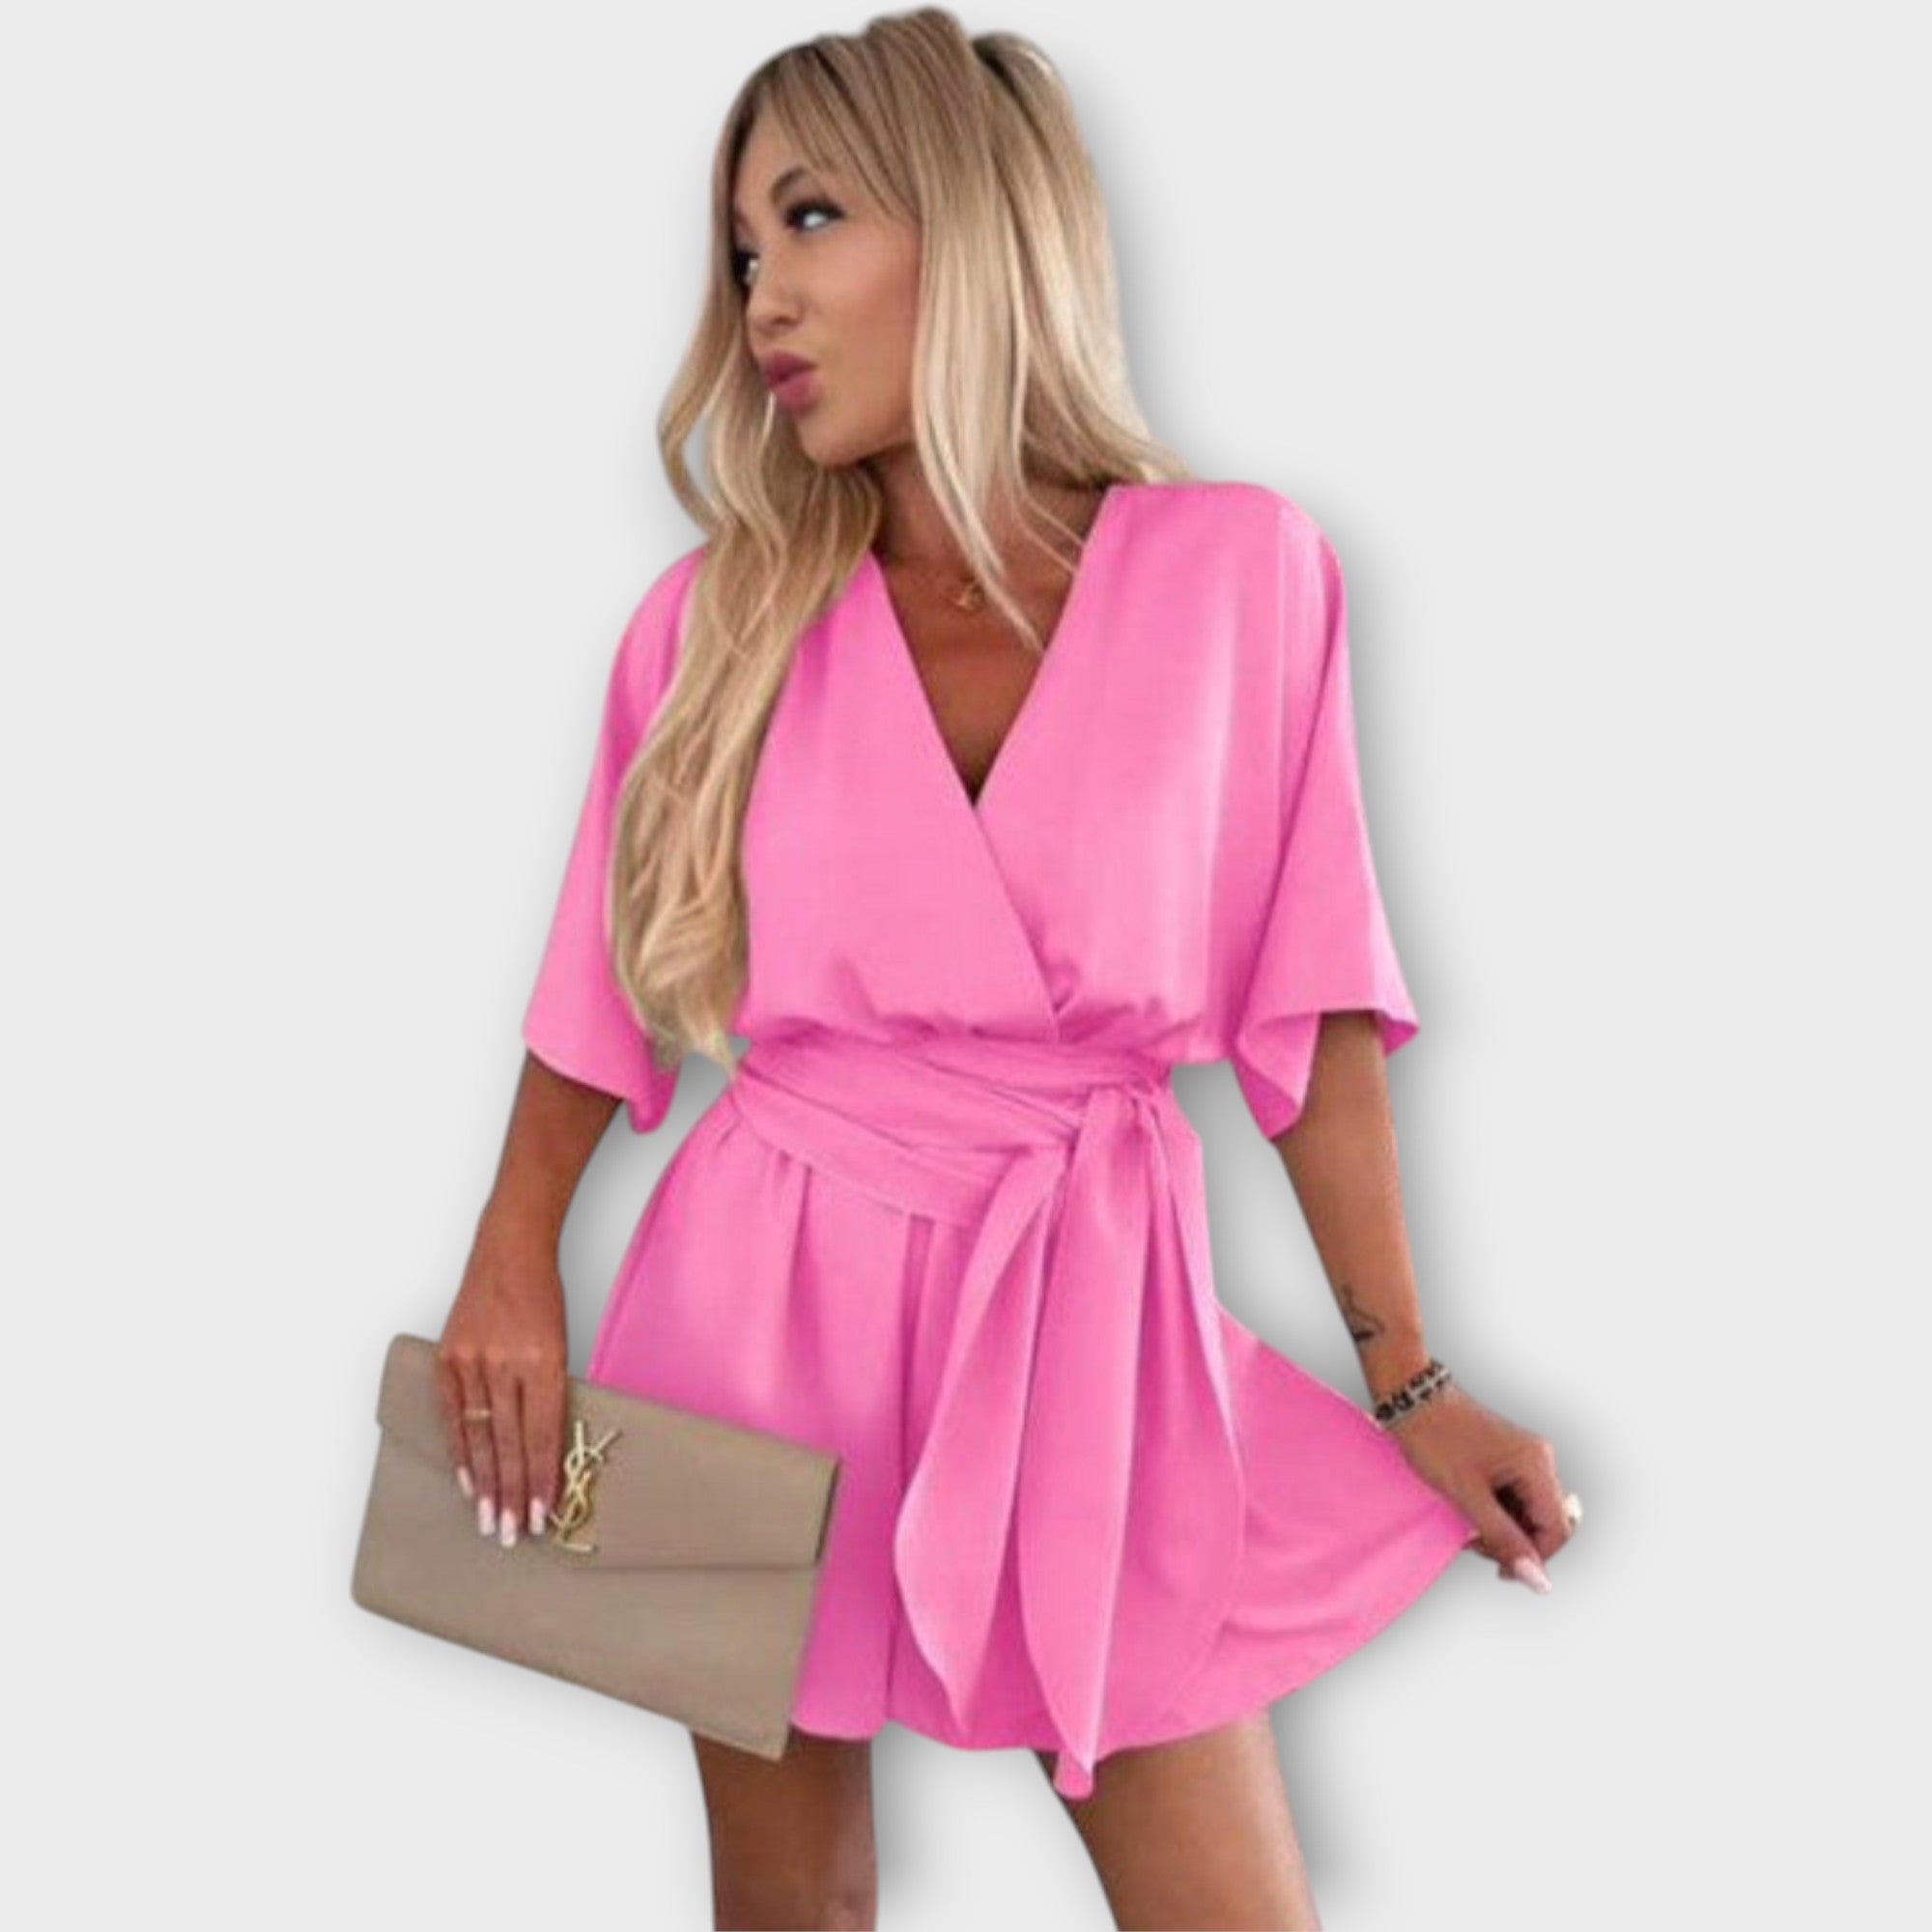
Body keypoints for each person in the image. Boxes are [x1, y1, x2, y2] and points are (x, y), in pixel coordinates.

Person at [434, 11, 1577, 1928]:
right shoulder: (713, 622)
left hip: (1090, 1311)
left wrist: (1413, 1380)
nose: (761, 296)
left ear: (974, 226)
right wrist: (508, 1262)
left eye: (811, 218)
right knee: (790, 1915)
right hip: (754, 1295)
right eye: (740, 249)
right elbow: (600, 980)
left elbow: (1308, 1017)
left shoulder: (1241, 576)